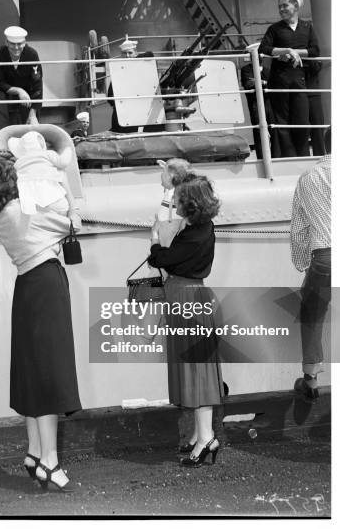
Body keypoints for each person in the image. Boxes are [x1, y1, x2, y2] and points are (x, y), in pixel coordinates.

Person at [0, 157, 81, 491]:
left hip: (25, 288)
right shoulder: (29, 213)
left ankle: (35, 452)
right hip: (46, 285)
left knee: (32, 373)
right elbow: (67, 217)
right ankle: (49, 460)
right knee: (50, 373)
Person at [148, 174, 224, 467]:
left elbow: (161, 259)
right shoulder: (202, 228)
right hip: (192, 296)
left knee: (195, 371)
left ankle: (206, 438)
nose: (175, 201)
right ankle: (199, 434)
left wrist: (155, 241)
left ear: (189, 204)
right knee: (196, 368)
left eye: (179, 198)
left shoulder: (192, 235)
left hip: (186, 299)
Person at [290, 127, 331, 400]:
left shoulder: (308, 177)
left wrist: (302, 262)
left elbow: (299, 227)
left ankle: (312, 378)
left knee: (312, 313)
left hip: (326, 256)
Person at [259, 0, 319, 157]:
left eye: (285, 5)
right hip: (280, 81)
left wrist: (295, 53)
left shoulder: (307, 27)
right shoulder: (274, 29)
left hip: (299, 80)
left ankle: (303, 156)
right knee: (282, 122)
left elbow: (314, 50)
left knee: (302, 120)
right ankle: (287, 157)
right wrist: (285, 51)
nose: (281, 9)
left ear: (296, 6)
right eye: (279, 7)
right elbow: (264, 48)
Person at [7, 131, 77, 220]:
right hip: (55, 204)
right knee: (60, 172)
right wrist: (68, 150)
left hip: (30, 209)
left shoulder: (18, 163)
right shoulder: (48, 154)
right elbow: (63, 162)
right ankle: (71, 211)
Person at [0, 26, 43, 136]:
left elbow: (37, 86)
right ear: (6, 42)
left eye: (19, 44)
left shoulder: (31, 54)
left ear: (25, 43)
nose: (16, 47)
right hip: (6, 94)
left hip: (27, 98)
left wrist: (32, 114)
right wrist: (19, 91)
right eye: (12, 44)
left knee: (31, 129)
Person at [107, 37, 157, 133]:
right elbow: (110, 97)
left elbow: (149, 55)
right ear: (121, 55)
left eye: (130, 53)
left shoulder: (143, 68)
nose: (127, 56)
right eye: (124, 53)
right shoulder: (117, 73)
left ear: (136, 53)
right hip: (123, 113)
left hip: (143, 111)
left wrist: (134, 62)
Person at [240, 59, 280, 159]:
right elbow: (249, 83)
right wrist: (265, 82)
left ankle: (276, 157)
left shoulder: (267, 70)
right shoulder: (246, 69)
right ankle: (261, 158)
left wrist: (260, 81)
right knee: (259, 131)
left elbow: (274, 84)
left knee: (273, 130)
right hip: (255, 103)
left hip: (269, 102)